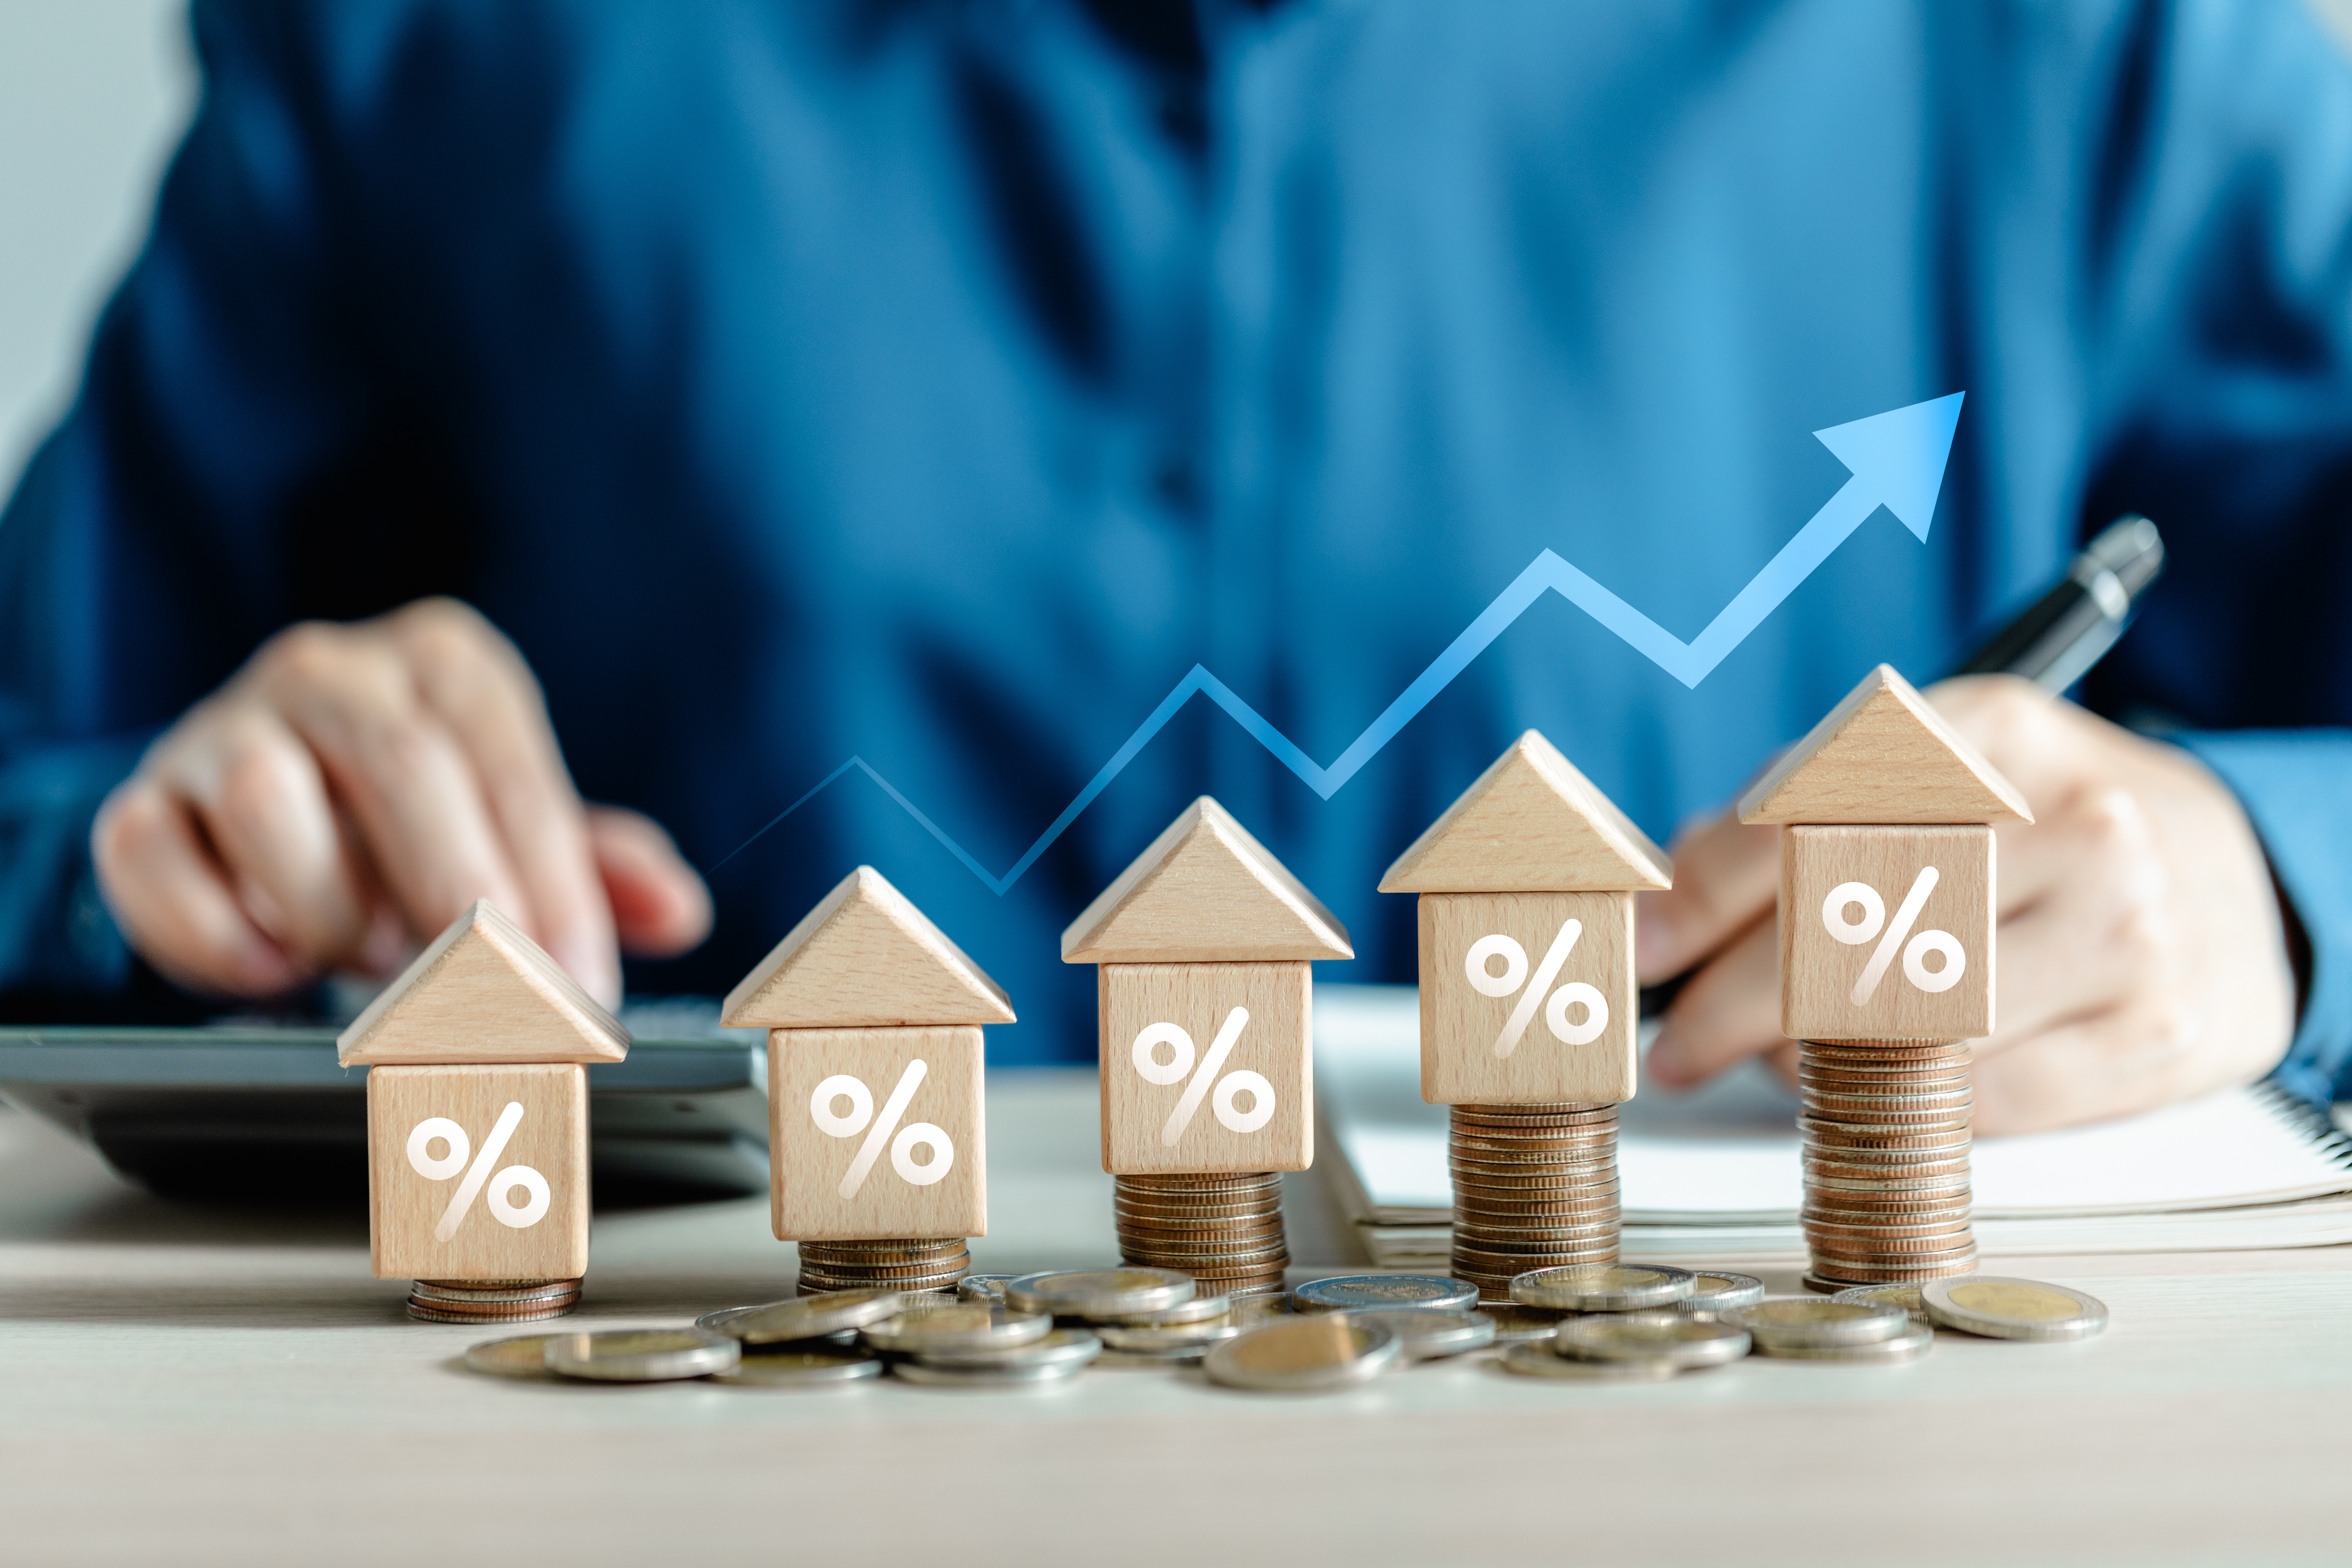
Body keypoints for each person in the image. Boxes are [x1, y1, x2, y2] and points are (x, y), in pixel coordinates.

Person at [0, 0, 2344, 1133]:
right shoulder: (438, 46)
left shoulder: (2100, 48)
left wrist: (2279, 876)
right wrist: (168, 851)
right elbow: (32, 787)